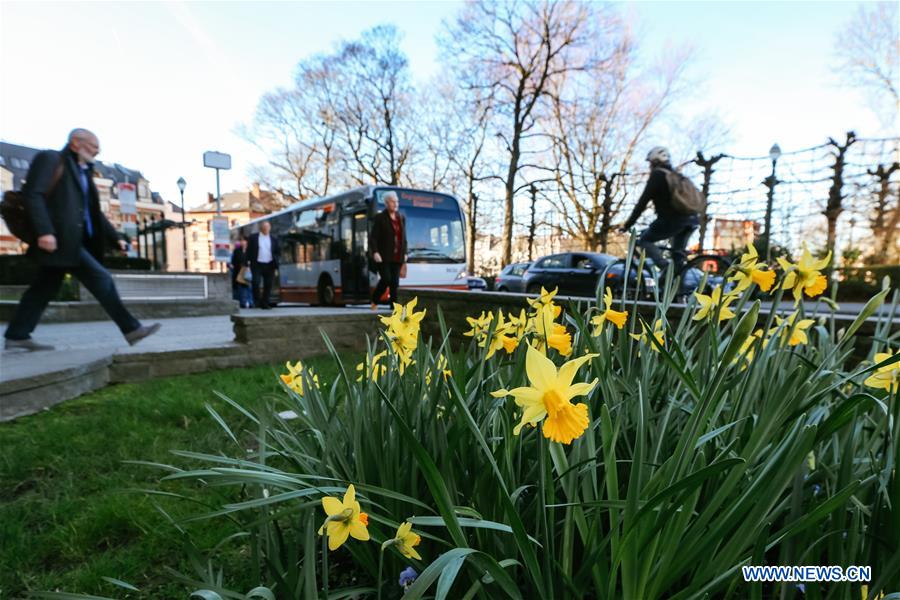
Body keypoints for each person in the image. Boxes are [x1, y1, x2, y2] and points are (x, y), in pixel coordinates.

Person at [4, 129, 160, 351]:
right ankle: (131, 329)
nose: (97, 151)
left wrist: (117, 239)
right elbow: (33, 195)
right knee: (102, 279)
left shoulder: (84, 171)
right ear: (75, 143)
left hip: (72, 242)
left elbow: (93, 213)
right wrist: (44, 231)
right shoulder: (51, 159)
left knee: (42, 289)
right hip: (60, 240)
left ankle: (17, 335)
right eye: (93, 146)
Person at [619, 146, 699, 273]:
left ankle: (664, 267)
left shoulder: (657, 175)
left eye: (650, 163)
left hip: (672, 221)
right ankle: (678, 289)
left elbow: (642, 203)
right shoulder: (676, 175)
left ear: (654, 162)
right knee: (677, 258)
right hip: (692, 219)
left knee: (645, 240)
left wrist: (628, 224)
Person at [369, 191, 407, 309]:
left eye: (396, 201)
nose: (395, 204)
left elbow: (403, 237)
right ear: (386, 203)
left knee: (395, 283)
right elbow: (373, 237)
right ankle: (375, 300)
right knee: (386, 279)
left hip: (397, 256)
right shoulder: (380, 217)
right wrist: (375, 252)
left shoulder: (401, 217)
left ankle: (394, 307)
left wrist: (405, 253)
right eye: (392, 201)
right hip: (383, 256)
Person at [246, 221, 279, 309]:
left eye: (267, 227)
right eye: (264, 227)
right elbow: (248, 251)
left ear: (270, 228)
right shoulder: (253, 238)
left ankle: (265, 303)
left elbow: (277, 252)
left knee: (268, 284)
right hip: (257, 264)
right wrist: (246, 263)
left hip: (270, 264)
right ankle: (257, 301)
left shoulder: (274, 239)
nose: (266, 229)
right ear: (261, 228)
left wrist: (276, 262)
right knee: (256, 282)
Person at [230, 237, 252, 309]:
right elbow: (233, 262)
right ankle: (242, 302)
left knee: (249, 287)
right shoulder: (237, 251)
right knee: (241, 288)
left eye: (244, 241)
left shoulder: (250, 251)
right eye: (241, 240)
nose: (242, 242)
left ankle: (250, 302)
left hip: (249, 272)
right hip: (239, 272)